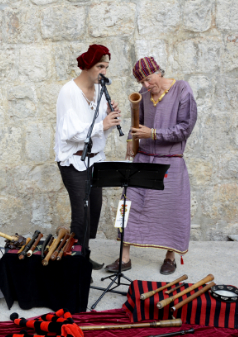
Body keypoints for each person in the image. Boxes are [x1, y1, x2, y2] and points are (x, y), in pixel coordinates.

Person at [105, 57, 197, 275]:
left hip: (171, 162)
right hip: (143, 159)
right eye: (142, 82)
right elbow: (138, 125)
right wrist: (131, 138)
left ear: (158, 72)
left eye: (148, 79)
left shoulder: (182, 89)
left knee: (171, 210)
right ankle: (124, 257)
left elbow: (185, 128)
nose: (146, 86)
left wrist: (153, 133)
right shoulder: (144, 94)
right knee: (127, 205)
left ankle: (170, 256)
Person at [54, 44, 121, 269]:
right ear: (87, 66)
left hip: (95, 160)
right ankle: (77, 262)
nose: (104, 71)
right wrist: (102, 124)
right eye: (100, 66)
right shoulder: (69, 92)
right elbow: (70, 133)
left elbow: (99, 132)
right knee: (80, 214)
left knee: (94, 209)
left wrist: (110, 120)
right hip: (74, 160)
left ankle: (84, 252)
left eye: (106, 66)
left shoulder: (100, 93)